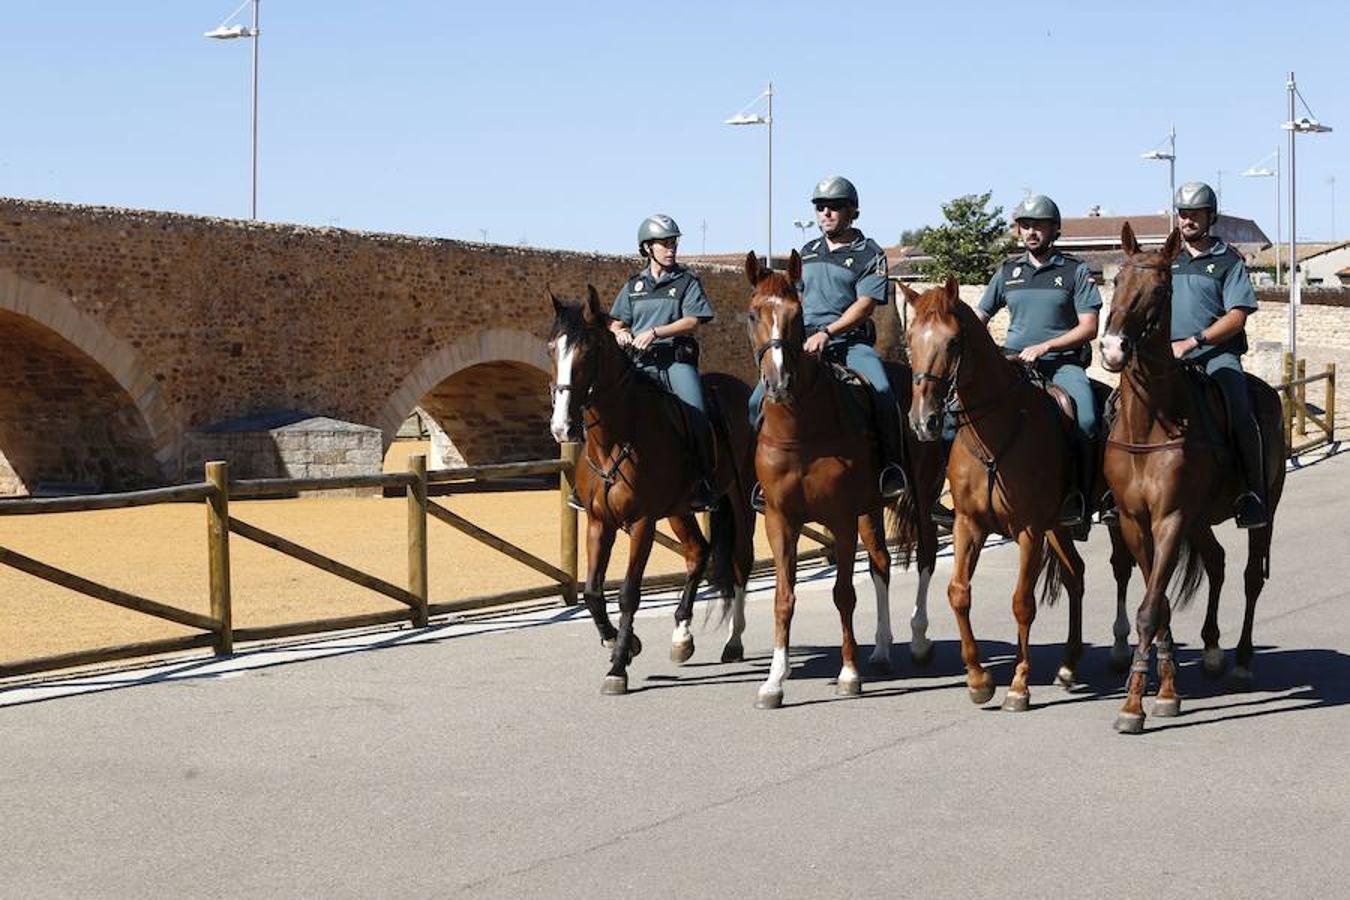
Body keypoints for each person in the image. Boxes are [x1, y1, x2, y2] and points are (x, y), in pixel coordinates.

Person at [931, 193, 1102, 531]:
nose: (1031, 232)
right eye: (1025, 226)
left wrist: (1045, 346)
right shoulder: (1008, 272)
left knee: (1086, 417)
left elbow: (1089, 327)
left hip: (1060, 364)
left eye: (1039, 226)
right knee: (951, 415)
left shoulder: (1074, 271)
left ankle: (1077, 499)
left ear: (1054, 230)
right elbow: (979, 315)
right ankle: (944, 498)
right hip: (1012, 364)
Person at [748, 175, 908, 512]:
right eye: (821, 207)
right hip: (803, 345)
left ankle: (890, 469)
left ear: (852, 211)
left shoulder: (870, 253)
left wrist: (829, 332)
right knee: (755, 401)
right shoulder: (806, 253)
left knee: (882, 391)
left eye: (835, 207)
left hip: (849, 342)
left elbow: (865, 304)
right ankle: (761, 479)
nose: (826, 213)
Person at [569, 213, 717, 512]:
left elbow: (693, 320)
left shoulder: (686, 282)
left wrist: (655, 332)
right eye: (664, 243)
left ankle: (702, 483)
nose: (671, 248)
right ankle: (583, 484)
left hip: (675, 363)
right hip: (640, 364)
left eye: (673, 242)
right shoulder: (634, 286)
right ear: (647, 248)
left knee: (698, 414)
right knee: (599, 407)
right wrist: (620, 331)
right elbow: (615, 320)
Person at [1165, 181, 1267, 528]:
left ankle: (1253, 494)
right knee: (1120, 408)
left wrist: (1193, 341)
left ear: (1211, 217)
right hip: (1167, 356)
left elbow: (1237, 317)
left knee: (1240, 411)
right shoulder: (1168, 259)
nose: (1188, 221)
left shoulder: (1229, 261)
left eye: (1195, 214)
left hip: (1215, 356)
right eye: (1183, 214)